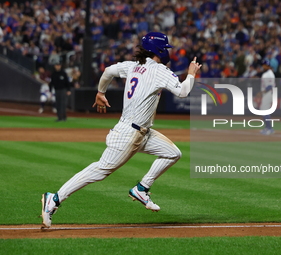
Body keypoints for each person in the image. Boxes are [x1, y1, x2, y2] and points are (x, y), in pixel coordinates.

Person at [41, 32, 202, 228]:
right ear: (158, 50)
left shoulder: (132, 66)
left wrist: (101, 92)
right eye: (165, 48)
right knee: (100, 170)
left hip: (143, 132)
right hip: (129, 133)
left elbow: (108, 71)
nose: (167, 52)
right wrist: (192, 73)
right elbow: (183, 92)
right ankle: (54, 198)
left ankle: (141, 189)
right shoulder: (159, 70)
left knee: (172, 153)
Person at [259, 59, 276, 135]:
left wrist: (262, 92)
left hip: (269, 93)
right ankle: (267, 127)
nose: (263, 67)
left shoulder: (269, 74)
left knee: (265, 110)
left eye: (264, 65)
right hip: (266, 93)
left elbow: (270, 86)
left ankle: (269, 129)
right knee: (263, 110)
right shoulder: (267, 73)